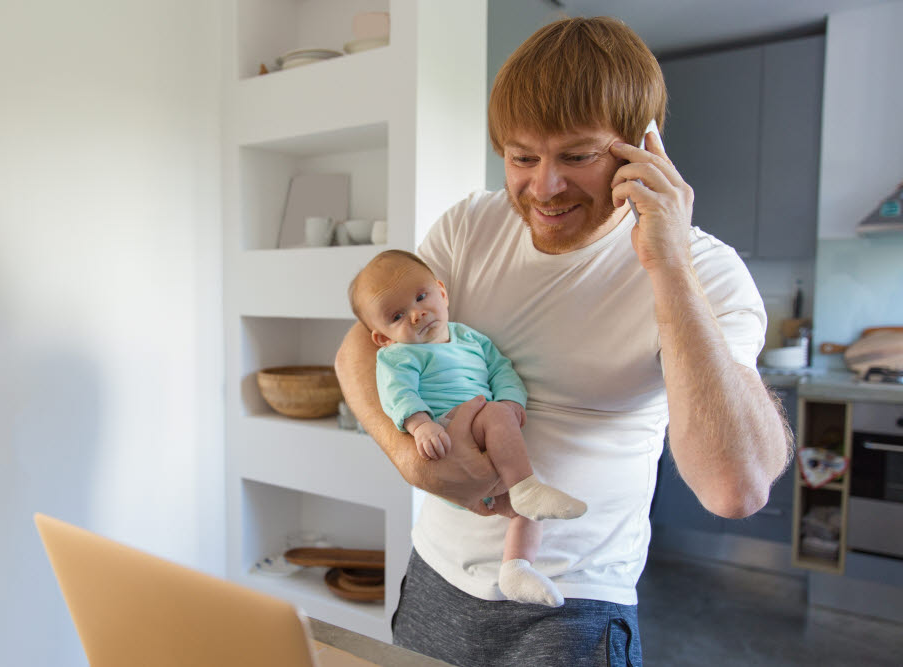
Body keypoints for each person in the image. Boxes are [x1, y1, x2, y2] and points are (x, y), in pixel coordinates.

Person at [335, 16, 791, 667]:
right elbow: (359, 345)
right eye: (522, 157)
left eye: (576, 156)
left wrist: (668, 265)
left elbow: (734, 486)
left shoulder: (705, 271)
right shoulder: (470, 227)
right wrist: (405, 455)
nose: (543, 187)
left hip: (572, 605)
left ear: (642, 147)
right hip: (436, 574)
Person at [349, 249, 587, 608]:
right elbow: (397, 393)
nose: (417, 313)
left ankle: (516, 568)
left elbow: (501, 369)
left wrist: (510, 403)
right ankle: (525, 486)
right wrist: (420, 425)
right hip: (447, 432)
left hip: (490, 439)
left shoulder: (471, 338)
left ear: (442, 294)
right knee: (496, 425)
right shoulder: (399, 356)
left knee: (527, 511)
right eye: (397, 316)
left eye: (421, 296)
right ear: (383, 338)